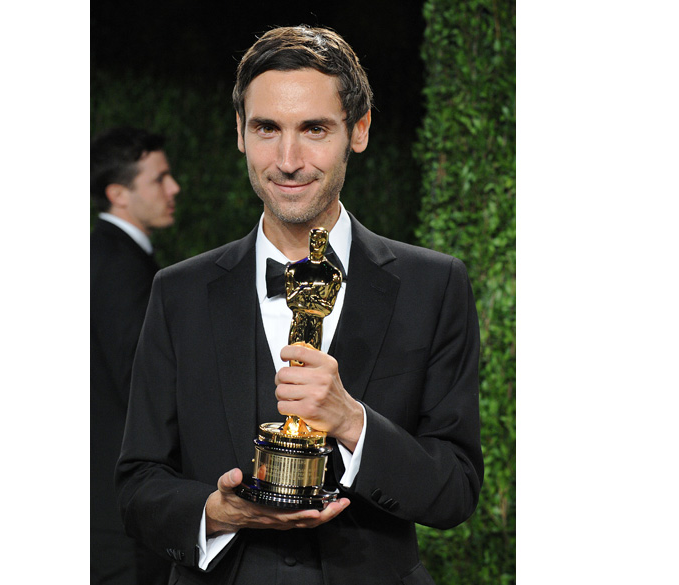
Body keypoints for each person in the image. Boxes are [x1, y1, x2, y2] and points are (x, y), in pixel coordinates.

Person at [117, 25, 483, 584]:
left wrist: (351, 421)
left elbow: (455, 490)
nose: (287, 160)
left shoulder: (433, 285)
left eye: (314, 129)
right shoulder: (178, 292)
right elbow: (138, 483)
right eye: (267, 128)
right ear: (240, 133)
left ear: (357, 131)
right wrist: (215, 513)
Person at [91, 127, 180, 585]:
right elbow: (138, 382)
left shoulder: (107, 254)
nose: (174, 189)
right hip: (116, 511)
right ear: (118, 194)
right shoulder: (119, 263)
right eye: (159, 179)